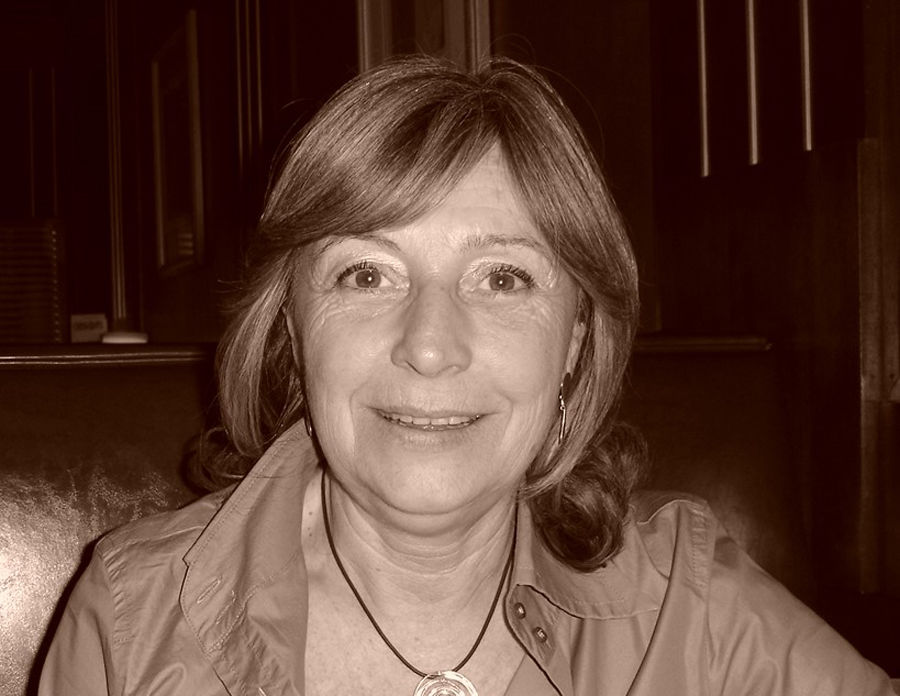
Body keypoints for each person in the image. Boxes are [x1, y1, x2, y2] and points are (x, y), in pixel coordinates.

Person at [39, 55, 893, 696]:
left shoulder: (693, 611)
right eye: (366, 274)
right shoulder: (130, 623)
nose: (430, 346)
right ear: (293, 330)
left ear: (574, 340)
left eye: (503, 278)